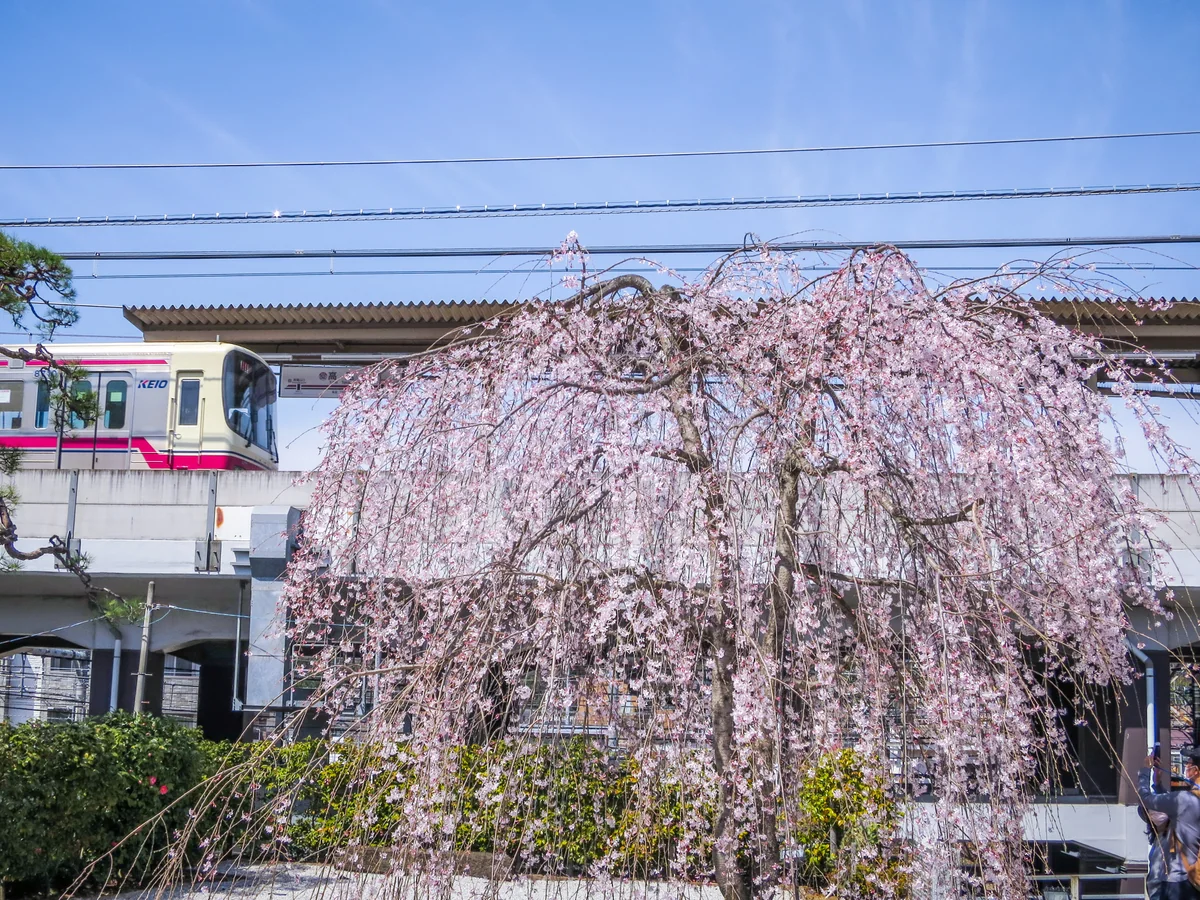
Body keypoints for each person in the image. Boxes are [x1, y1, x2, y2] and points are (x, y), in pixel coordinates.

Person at [1141, 749, 1200, 900]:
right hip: (1194, 879)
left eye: (1188, 763)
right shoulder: (1190, 800)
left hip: (1178, 881)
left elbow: (1146, 800)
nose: (1186, 767)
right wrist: (1158, 784)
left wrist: (1145, 771)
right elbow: (1177, 810)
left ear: (1196, 770)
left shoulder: (1185, 799)